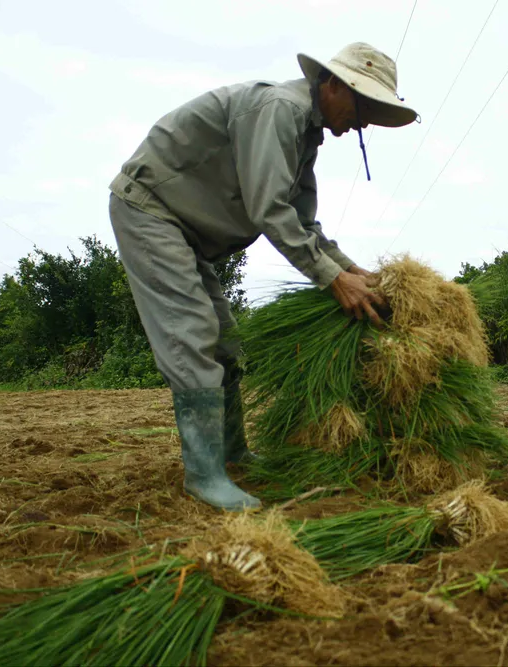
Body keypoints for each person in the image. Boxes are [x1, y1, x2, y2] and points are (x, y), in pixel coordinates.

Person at [107, 42, 418, 512]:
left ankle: (232, 455)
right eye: (364, 105)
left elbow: (304, 221)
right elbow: (268, 208)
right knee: (193, 333)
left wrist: (352, 270)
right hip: (152, 211)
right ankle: (205, 475)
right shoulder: (281, 109)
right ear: (333, 85)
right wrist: (333, 281)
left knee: (226, 345)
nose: (364, 122)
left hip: (189, 233)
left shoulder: (306, 136)